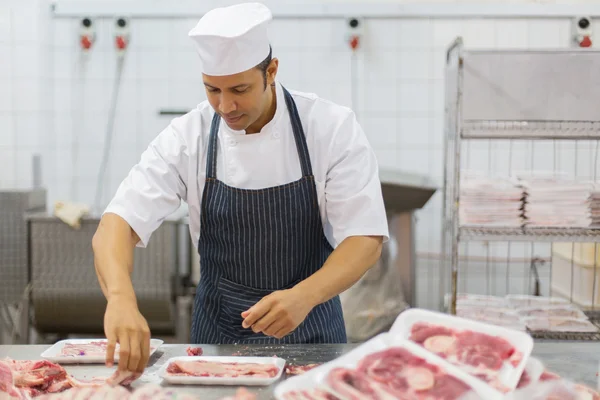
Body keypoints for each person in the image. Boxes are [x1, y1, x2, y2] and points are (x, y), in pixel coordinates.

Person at [92, 2, 389, 374]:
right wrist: (120, 298)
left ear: (272, 71)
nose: (225, 105)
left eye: (239, 88)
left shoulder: (329, 128)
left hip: (312, 337)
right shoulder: (190, 136)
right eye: (211, 89)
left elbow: (365, 239)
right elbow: (115, 224)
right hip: (218, 343)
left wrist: (303, 297)